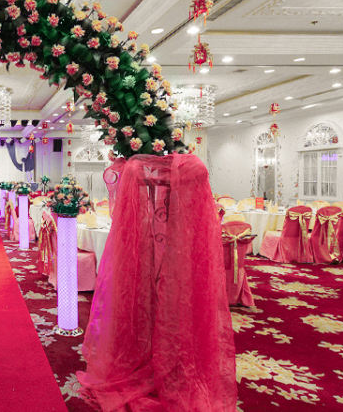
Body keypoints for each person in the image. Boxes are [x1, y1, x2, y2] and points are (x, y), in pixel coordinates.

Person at [79, 154, 236, 411]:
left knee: (172, 302)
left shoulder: (181, 170)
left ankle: (168, 355)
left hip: (174, 258)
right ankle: (155, 353)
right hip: (160, 257)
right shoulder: (137, 170)